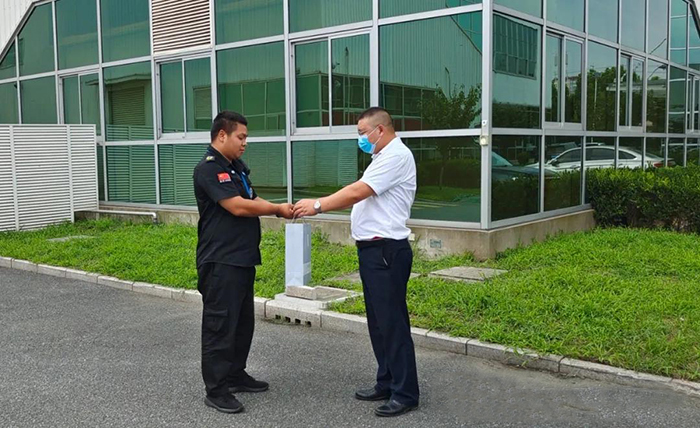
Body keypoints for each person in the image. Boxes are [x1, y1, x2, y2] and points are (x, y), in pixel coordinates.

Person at [293, 107, 419, 417]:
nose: (360, 138)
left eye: (363, 133)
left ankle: (405, 393)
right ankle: (386, 381)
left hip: (386, 251)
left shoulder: (395, 156)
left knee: (392, 323)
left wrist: (317, 205)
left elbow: (357, 192)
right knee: (379, 322)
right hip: (373, 251)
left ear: (380, 129)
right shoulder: (381, 157)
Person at [193, 111, 294, 414]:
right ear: (222, 135)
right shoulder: (209, 169)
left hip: (241, 259)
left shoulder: (235, 168)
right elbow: (237, 206)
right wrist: (276, 209)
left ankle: (235, 374)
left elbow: (252, 198)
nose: (245, 143)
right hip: (220, 260)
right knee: (220, 325)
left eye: (246, 137)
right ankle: (216, 390)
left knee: (241, 323)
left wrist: (279, 208)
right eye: (241, 137)